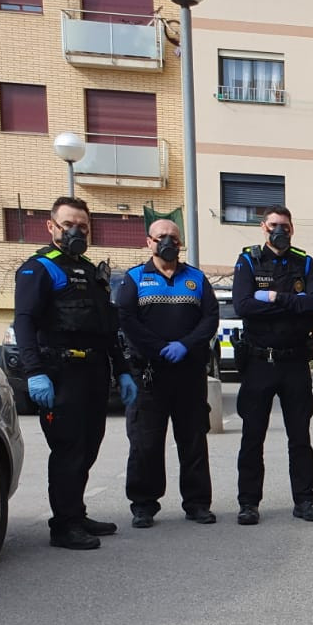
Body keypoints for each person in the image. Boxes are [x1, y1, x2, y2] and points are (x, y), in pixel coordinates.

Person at [12, 196, 138, 550]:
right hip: (60, 372)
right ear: (51, 226)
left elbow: (106, 328)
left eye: (82, 225)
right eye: (68, 224)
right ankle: (63, 525)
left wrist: (123, 370)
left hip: (94, 371)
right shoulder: (39, 268)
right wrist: (35, 372)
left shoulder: (90, 270)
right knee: (68, 448)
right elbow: (24, 322)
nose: (75, 230)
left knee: (89, 446)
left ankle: (76, 512)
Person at [116, 219, 218, 528]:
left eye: (173, 237)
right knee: (145, 443)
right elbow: (127, 320)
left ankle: (198, 503)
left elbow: (210, 319)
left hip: (188, 374)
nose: (168, 242)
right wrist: (159, 347)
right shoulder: (134, 279)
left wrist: (185, 345)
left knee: (193, 440)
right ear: (149, 241)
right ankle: (144, 504)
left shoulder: (197, 279)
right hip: (149, 374)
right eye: (162, 237)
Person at [231, 205, 313, 525]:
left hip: (295, 363)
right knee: (252, 436)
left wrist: (272, 298)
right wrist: (292, 305)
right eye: (274, 225)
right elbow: (243, 305)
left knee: (300, 436)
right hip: (259, 361)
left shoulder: (305, 261)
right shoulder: (248, 260)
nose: (280, 231)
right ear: (263, 227)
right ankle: (248, 503)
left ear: (292, 229)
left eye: (285, 226)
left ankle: (304, 500)